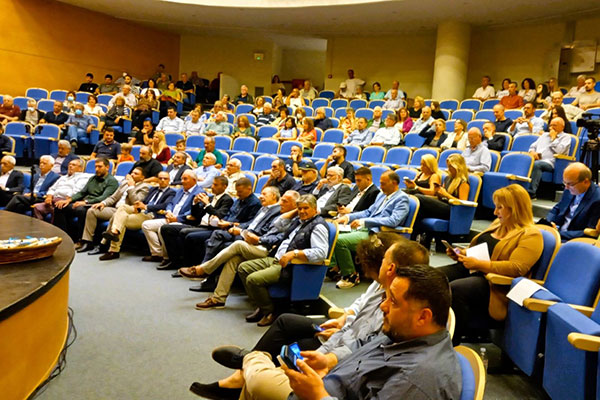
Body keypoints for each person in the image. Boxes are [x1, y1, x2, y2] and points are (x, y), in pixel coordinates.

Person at [194, 234, 429, 399]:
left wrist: (331, 357)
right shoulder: (383, 290)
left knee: (276, 364)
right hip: (342, 340)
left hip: (341, 359)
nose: (385, 305)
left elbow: (368, 344)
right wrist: (343, 320)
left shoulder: (399, 314)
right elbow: (360, 315)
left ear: (390, 267)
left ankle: (248, 362)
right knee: (287, 324)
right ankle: (244, 374)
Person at [439, 184, 543, 344]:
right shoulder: (498, 224)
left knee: (457, 289)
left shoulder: (531, 235)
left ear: (515, 208)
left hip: (495, 284)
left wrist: (479, 264)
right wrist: (462, 253)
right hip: (474, 269)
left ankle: (451, 341)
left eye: (500, 208)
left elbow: (517, 268)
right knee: (435, 277)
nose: (495, 212)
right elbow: (484, 249)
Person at [186, 190, 300, 310]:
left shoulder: (292, 219)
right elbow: (266, 228)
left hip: (268, 249)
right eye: (281, 200)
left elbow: (278, 237)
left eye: (284, 201)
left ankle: (204, 269)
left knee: (238, 244)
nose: (280, 203)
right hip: (258, 243)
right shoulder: (282, 214)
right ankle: (218, 298)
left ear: (295, 205)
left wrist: (258, 239)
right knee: (233, 260)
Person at [238, 194, 329, 326]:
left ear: (315, 209)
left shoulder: (318, 226)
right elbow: (278, 224)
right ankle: (262, 305)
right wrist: (295, 212)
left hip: (290, 266)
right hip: (275, 258)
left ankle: (269, 311)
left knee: (253, 279)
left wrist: (295, 253)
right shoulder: (299, 221)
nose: (302, 211)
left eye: (306, 208)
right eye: (299, 208)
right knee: (243, 268)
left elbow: (321, 252)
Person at [158, 177, 259, 269]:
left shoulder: (228, 200)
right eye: (237, 191)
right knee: (167, 228)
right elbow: (197, 215)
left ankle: (187, 265)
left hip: (216, 228)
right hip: (202, 224)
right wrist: (195, 203)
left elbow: (245, 222)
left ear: (249, 189)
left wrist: (210, 207)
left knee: (187, 234)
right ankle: (175, 260)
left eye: (240, 191)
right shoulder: (233, 200)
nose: (237, 194)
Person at [333, 171, 409, 288]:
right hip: (365, 229)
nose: (380, 187)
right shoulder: (382, 195)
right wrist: (348, 217)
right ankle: (334, 268)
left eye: (383, 184)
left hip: (378, 233)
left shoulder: (402, 198)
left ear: (394, 183)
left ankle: (351, 276)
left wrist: (365, 221)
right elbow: (368, 212)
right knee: (334, 234)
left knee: (339, 241)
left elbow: (394, 220)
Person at [98, 171, 176, 260]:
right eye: (160, 178)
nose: (162, 180)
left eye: (165, 178)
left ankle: (113, 250)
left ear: (169, 180)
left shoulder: (171, 192)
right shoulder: (153, 189)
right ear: (157, 180)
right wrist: (138, 206)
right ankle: (115, 232)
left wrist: (145, 207)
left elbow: (165, 205)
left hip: (152, 215)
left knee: (120, 217)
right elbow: (144, 201)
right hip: (141, 211)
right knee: (122, 207)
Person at [76, 167, 150, 254]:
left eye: (136, 173)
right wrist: (103, 203)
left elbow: (136, 202)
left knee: (116, 216)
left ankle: (103, 245)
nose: (132, 175)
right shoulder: (124, 183)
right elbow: (113, 197)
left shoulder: (144, 187)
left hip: (127, 212)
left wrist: (131, 187)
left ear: (142, 177)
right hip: (114, 208)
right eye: (132, 173)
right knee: (92, 210)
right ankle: (88, 241)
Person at [140, 170, 202, 263]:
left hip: (184, 221)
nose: (182, 181)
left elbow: (193, 212)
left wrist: (177, 218)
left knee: (163, 229)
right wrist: (168, 212)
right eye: (182, 179)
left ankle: (167, 257)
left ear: (194, 180)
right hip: (170, 217)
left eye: (185, 179)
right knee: (146, 225)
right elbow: (171, 203)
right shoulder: (180, 190)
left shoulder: (199, 193)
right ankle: (157, 254)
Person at [54, 158, 119, 241]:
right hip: (85, 202)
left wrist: (85, 202)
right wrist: (69, 200)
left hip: (96, 205)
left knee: (81, 210)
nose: (97, 169)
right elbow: (82, 193)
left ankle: (81, 239)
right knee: (60, 206)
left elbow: (104, 197)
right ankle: (63, 236)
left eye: (100, 167)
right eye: (96, 167)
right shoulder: (92, 178)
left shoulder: (112, 181)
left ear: (107, 167)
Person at [413, 154, 470, 245]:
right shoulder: (448, 178)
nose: (448, 169)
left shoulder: (463, 182)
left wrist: (446, 194)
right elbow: (441, 196)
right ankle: (414, 240)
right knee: (419, 211)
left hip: (452, 210)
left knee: (418, 197)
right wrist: (439, 192)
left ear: (458, 167)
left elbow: (462, 203)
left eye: (451, 167)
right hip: (442, 205)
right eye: (448, 166)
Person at [545, 162, 600, 241]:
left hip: (574, 240)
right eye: (564, 183)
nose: (566, 187)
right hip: (558, 232)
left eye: (570, 184)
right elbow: (557, 208)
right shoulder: (569, 188)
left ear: (585, 182)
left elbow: (590, 232)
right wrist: (549, 223)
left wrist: (558, 233)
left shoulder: (597, 199)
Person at [527, 117, 572, 198]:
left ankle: (531, 193)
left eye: (554, 125)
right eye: (550, 125)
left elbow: (560, 151)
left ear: (562, 127)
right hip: (537, 159)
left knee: (537, 164)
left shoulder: (566, 137)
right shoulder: (544, 135)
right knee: (523, 162)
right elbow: (533, 146)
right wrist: (532, 152)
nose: (551, 127)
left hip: (551, 163)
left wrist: (553, 138)